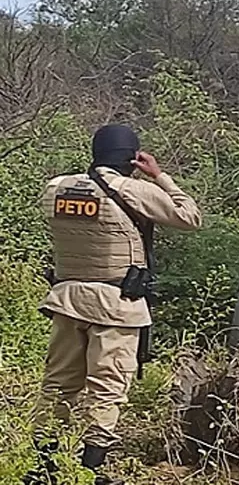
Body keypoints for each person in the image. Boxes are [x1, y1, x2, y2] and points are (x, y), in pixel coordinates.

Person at [24, 125, 202, 485]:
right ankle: (90, 471)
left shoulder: (56, 189)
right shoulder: (134, 189)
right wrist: (160, 176)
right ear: (133, 158)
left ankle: (42, 467)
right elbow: (189, 217)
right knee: (107, 388)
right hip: (116, 306)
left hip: (67, 300)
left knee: (58, 385)